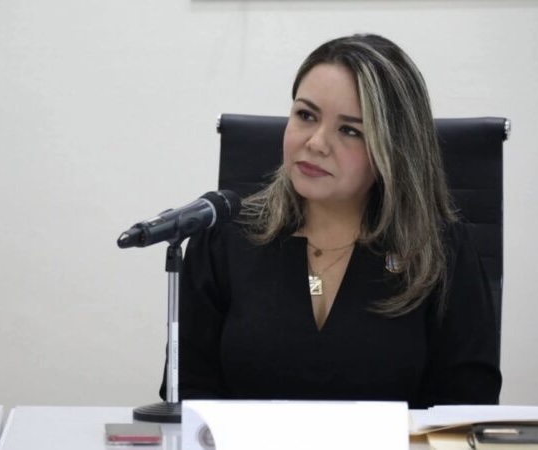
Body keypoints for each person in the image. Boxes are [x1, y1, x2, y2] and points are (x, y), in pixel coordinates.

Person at [160, 33, 501, 408]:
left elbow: (465, 405)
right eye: (306, 115)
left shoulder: (440, 251)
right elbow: (187, 392)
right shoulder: (224, 238)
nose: (317, 143)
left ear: (394, 149)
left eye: (350, 130)